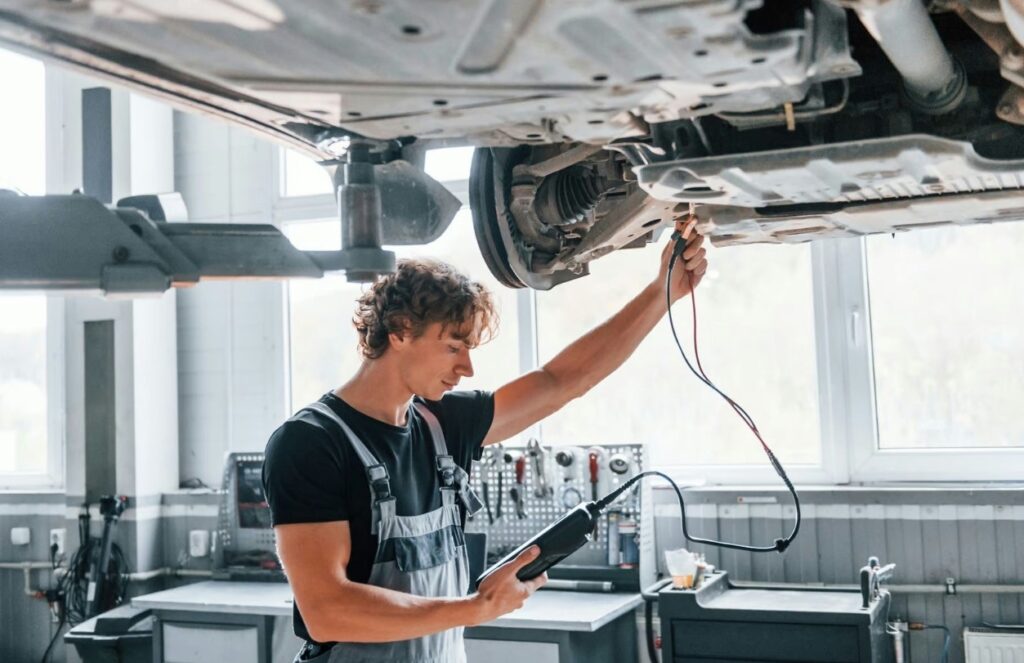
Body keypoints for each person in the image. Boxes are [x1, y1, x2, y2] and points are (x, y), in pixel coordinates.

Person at [262, 217, 707, 662]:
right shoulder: (310, 444)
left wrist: (660, 294)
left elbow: (561, 381)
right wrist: (474, 608)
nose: (467, 369)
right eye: (454, 347)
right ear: (399, 331)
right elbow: (327, 610)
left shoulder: (442, 424)